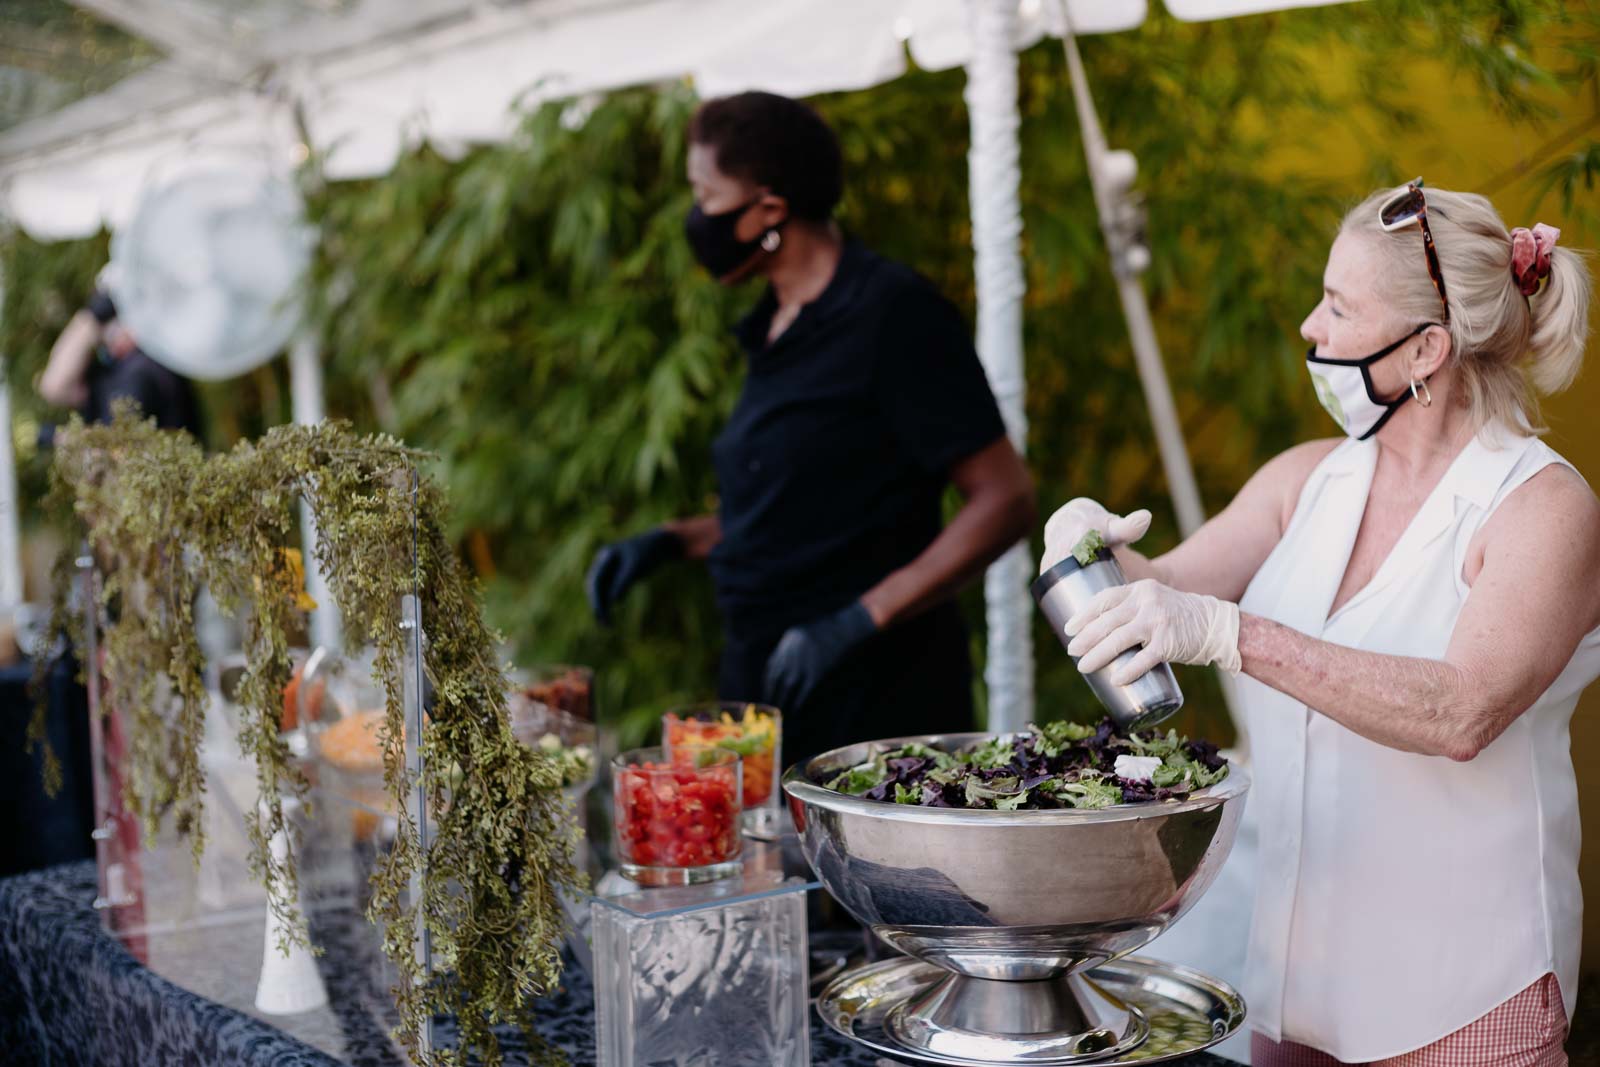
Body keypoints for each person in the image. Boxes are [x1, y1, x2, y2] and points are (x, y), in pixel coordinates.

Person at [1042, 181, 1595, 1065]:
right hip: (1294, 989)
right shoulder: (1309, 476)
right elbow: (1167, 586)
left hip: (1462, 995)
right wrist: (1086, 547)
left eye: (1338, 307)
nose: (1311, 326)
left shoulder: (1541, 508)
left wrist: (1232, 634)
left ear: (1427, 348)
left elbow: (1463, 711)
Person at [587, 92, 1035, 763]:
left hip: (878, 702)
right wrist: (672, 540)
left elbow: (1006, 499)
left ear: (768, 210)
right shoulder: (776, 324)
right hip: (770, 690)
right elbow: (805, 506)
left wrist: (858, 619)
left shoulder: (892, 315)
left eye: (705, 194)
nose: (694, 216)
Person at [37, 287, 200, 438]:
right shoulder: (109, 370)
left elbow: (116, 445)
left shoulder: (145, 369)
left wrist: (67, 439)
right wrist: (92, 316)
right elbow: (54, 387)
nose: (107, 333)